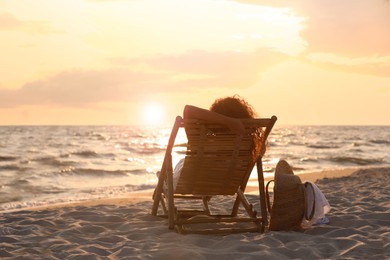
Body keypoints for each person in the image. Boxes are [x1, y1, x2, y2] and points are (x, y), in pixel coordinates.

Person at [170, 95, 266, 190]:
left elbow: (188, 110)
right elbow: (262, 150)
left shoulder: (204, 142)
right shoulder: (248, 145)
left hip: (188, 183)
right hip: (227, 185)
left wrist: (228, 121)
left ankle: (166, 180)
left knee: (181, 163)